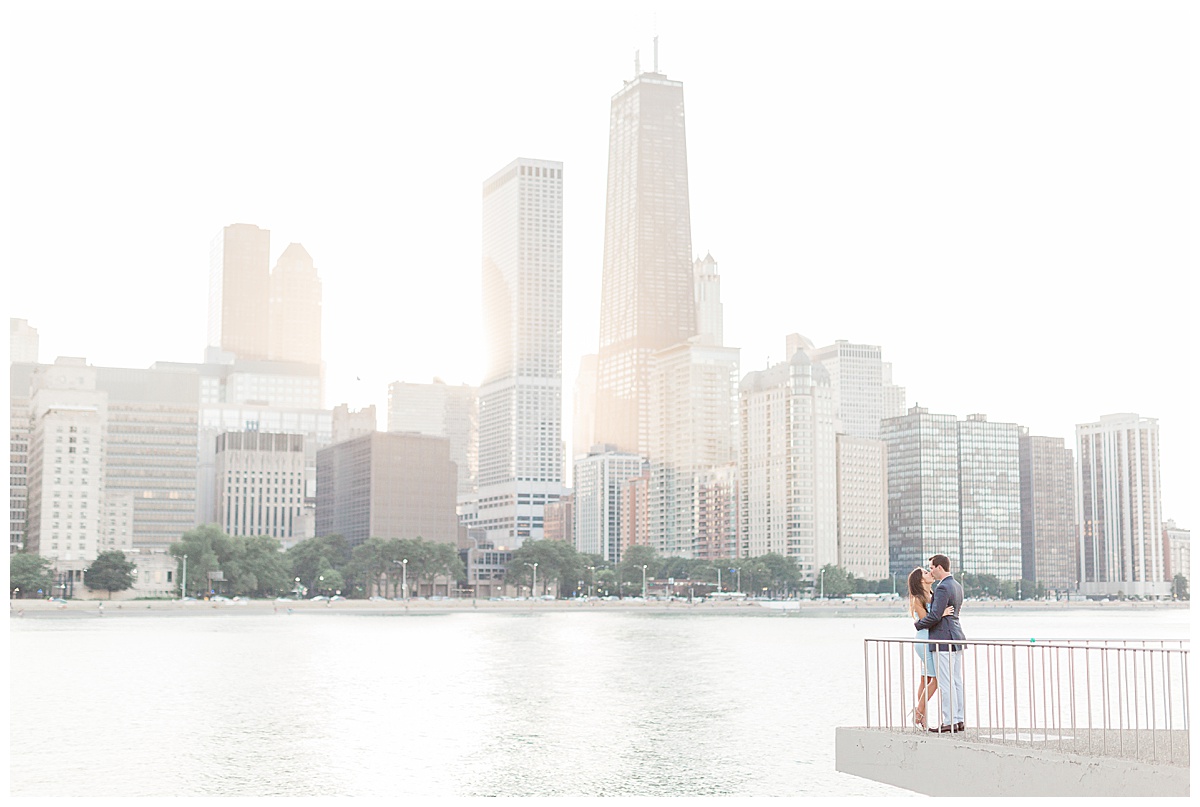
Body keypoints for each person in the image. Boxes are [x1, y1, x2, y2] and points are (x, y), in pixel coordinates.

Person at [913, 553, 966, 733]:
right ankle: (958, 719)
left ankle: (949, 721)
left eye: (932, 568)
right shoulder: (957, 585)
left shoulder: (943, 588)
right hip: (956, 637)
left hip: (943, 639)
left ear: (939, 567)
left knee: (946, 682)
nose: (931, 571)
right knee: (956, 681)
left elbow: (935, 616)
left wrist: (918, 624)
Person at [906, 566, 953, 728]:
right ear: (920, 580)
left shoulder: (932, 594)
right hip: (925, 640)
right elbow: (927, 620)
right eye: (926, 573)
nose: (930, 573)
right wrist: (943, 614)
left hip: (931, 637)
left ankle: (922, 717)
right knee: (937, 678)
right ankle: (919, 711)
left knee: (925, 678)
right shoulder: (918, 598)